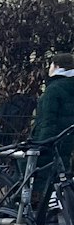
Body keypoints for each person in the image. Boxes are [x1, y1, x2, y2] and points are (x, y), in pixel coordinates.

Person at [30, 53, 74, 215]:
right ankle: (52, 208)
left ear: (56, 66)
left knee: (34, 169)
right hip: (68, 138)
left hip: (51, 138)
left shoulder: (53, 89)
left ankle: (40, 208)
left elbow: (48, 120)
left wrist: (42, 143)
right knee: (58, 173)